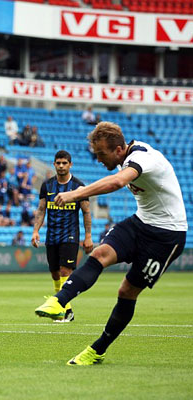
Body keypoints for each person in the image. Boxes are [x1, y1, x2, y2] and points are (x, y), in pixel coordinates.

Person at [35, 122, 187, 365]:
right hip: (141, 222)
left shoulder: (143, 158)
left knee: (126, 291)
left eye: (101, 154)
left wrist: (76, 193)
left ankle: (97, 350)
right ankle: (59, 301)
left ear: (118, 150)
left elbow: (117, 182)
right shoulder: (126, 156)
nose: (97, 160)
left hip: (166, 235)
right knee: (100, 254)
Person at [31, 150, 93, 323]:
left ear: (70, 165)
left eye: (64, 163)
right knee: (55, 273)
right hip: (52, 235)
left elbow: (86, 212)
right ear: (54, 164)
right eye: (58, 163)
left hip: (70, 235)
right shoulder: (47, 185)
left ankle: (66, 311)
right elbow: (42, 209)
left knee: (66, 270)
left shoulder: (79, 187)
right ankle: (61, 309)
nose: (61, 166)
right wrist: (36, 230)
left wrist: (88, 236)